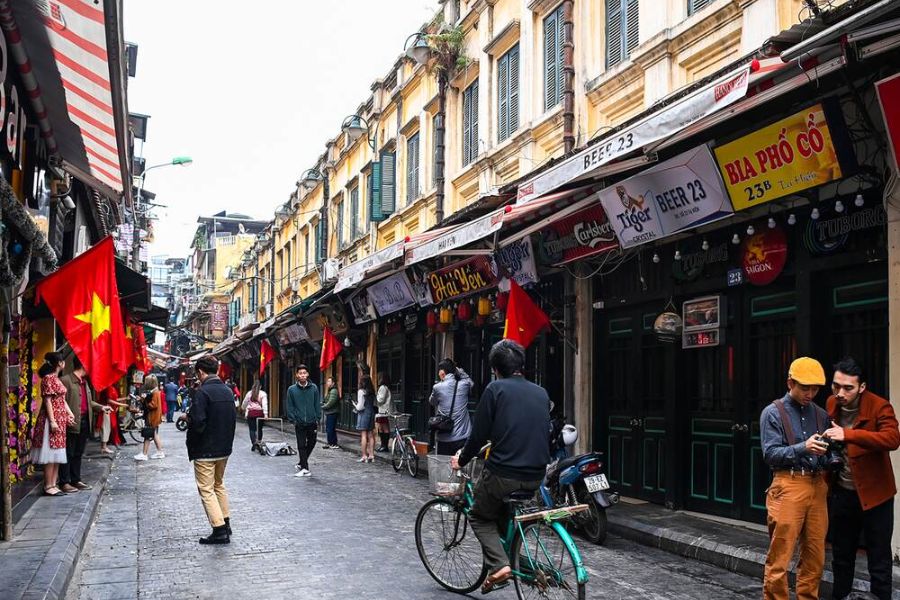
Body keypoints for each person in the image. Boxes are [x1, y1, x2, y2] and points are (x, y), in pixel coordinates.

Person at [452, 340, 551, 594]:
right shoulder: (541, 392)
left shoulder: (495, 390)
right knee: (501, 511)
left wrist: (461, 459)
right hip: (536, 475)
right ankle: (515, 559)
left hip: (504, 475)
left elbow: (478, 436)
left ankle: (499, 565)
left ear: (495, 368)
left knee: (478, 515)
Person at [822, 357, 900, 600]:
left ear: (862, 387)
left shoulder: (879, 406)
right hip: (842, 493)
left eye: (848, 388)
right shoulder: (831, 403)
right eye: (836, 386)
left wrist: (848, 434)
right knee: (842, 556)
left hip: (876, 496)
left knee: (879, 559)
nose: (840, 393)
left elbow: (891, 439)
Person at [760, 357, 830, 600]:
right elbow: (770, 454)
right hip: (788, 483)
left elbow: (826, 454)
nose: (810, 393)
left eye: (815, 388)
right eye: (805, 387)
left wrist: (828, 455)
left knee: (815, 556)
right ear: (790, 383)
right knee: (780, 556)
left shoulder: (821, 415)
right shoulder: (773, 412)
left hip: (817, 484)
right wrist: (803, 447)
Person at [183, 355, 237, 545]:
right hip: (224, 448)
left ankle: (219, 529)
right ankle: (226, 522)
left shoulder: (203, 393)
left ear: (200, 372)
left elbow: (198, 422)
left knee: (206, 489)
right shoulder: (228, 391)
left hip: (206, 450)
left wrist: (189, 422)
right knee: (218, 485)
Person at [58, 356, 107, 492]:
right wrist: (66, 416)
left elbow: (88, 402)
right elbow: (60, 402)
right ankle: (64, 482)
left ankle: (76, 479)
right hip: (71, 422)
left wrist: (101, 407)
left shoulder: (84, 383)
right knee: (68, 452)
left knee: (79, 452)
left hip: (85, 421)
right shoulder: (66, 381)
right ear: (83, 365)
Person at [30, 352, 74, 497]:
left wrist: (68, 413)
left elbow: (61, 399)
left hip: (59, 420)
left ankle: (53, 484)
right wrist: (53, 421)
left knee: (57, 454)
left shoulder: (56, 379)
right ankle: (48, 485)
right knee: (50, 453)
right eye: (63, 361)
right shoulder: (48, 379)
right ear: (60, 363)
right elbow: (48, 401)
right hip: (51, 420)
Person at [429, 358, 473, 456]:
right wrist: (458, 370)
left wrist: (441, 381)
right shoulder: (465, 384)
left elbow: (432, 402)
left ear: (442, 372)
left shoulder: (437, 387)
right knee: (462, 467)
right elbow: (470, 381)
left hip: (444, 438)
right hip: (462, 436)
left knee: (444, 467)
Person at [286, 365, 320, 477]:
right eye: (300, 373)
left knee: (312, 442)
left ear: (307, 374)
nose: (302, 375)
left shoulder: (314, 388)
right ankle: (305, 468)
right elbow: (290, 405)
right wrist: (293, 419)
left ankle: (302, 462)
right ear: (297, 375)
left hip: (312, 421)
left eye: (304, 373)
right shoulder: (292, 390)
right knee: (301, 445)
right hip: (299, 421)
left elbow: (316, 404)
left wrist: (317, 417)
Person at [134, 375, 165, 461]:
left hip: (152, 417)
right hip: (154, 417)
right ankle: (158, 452)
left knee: (148, 434)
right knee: (153, 434)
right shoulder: (155, 391)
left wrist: (144, 400)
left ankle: (145, 454)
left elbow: (153, 405)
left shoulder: (155, 393)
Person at [355, 364, 376, 463]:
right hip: (371, 412)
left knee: (363, 435)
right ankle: (372, 455)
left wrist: (355, 406)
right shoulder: (371, 391)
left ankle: (364, 455)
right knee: (371, 434)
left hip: (363, 413)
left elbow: (360, 406)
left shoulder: (361, 391)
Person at [240, 379, 268, 451]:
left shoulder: (249, 393)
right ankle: (258, 442)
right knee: (259, 429)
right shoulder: (263, 394)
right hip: (259, 413)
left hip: (251, 414)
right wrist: (266, 414)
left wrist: (242, 408)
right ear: (260, 386)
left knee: (252, 429)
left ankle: (254, 443)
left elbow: (244, 403)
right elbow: (264, 404)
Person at [97, 386, 126, 452]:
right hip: (107, 410)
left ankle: (104, 446)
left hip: (109, 410)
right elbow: (109, 400)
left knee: (106, 427)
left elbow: (113, 399)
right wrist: (122, 404)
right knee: (106, 427)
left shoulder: (109, 388)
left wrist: (124, 399)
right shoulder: (108, 388)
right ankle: (104, 447)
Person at [321, 376, 340, 449]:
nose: (327, 383)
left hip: (332, 412)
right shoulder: (330, 390)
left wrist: (323, 406)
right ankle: (330, 443)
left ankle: (333, 443)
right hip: (330, 412)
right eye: (327, 381)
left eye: (329, 381)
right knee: (329, 428)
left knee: (330, 428)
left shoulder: (334, 391)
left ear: (333, 383)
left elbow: (331, 402)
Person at [374, 374, 392, 452]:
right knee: (383, 428)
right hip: (384, 411)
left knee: (383, 428)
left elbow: (380, 400)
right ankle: (384, 445)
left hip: (383, 411)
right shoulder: (385, 387)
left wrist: (375, 396)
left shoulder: (382, 388)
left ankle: (384, 445)